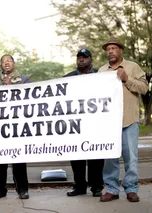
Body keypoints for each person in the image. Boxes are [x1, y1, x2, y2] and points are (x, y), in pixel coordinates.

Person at [98, 38, 148, 202]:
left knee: (131, 158)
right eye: (108, 49)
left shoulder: (132, 67)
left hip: (129, 120)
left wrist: (127, 79)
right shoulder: (101, 71)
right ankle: (112, 189)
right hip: (108, 123)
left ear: (121, 51)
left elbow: (144, 88)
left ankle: (131, 189)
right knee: (110, 158)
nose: (110, 51)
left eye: (113, 48)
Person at [0, 54, 31, 200]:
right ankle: (0, 190)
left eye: (9, 61)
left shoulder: (24, 80)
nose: (6, 63)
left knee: (19, 159)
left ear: (14, 63)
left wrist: (11, 87)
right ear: (0, 65)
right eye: (3, 61)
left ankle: (22, 189)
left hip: (18, 126)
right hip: (0, 126)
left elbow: (30, 97)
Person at [64, 48, 104, 197]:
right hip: (76, 123)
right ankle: (79, 186)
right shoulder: (68, 78)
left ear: (90, 59)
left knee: (96, 157)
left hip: (95, 123)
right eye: (79, 57)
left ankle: (96, 187)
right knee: (76, 157)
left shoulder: (101, 77)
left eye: (84, 57)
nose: (81, 60)